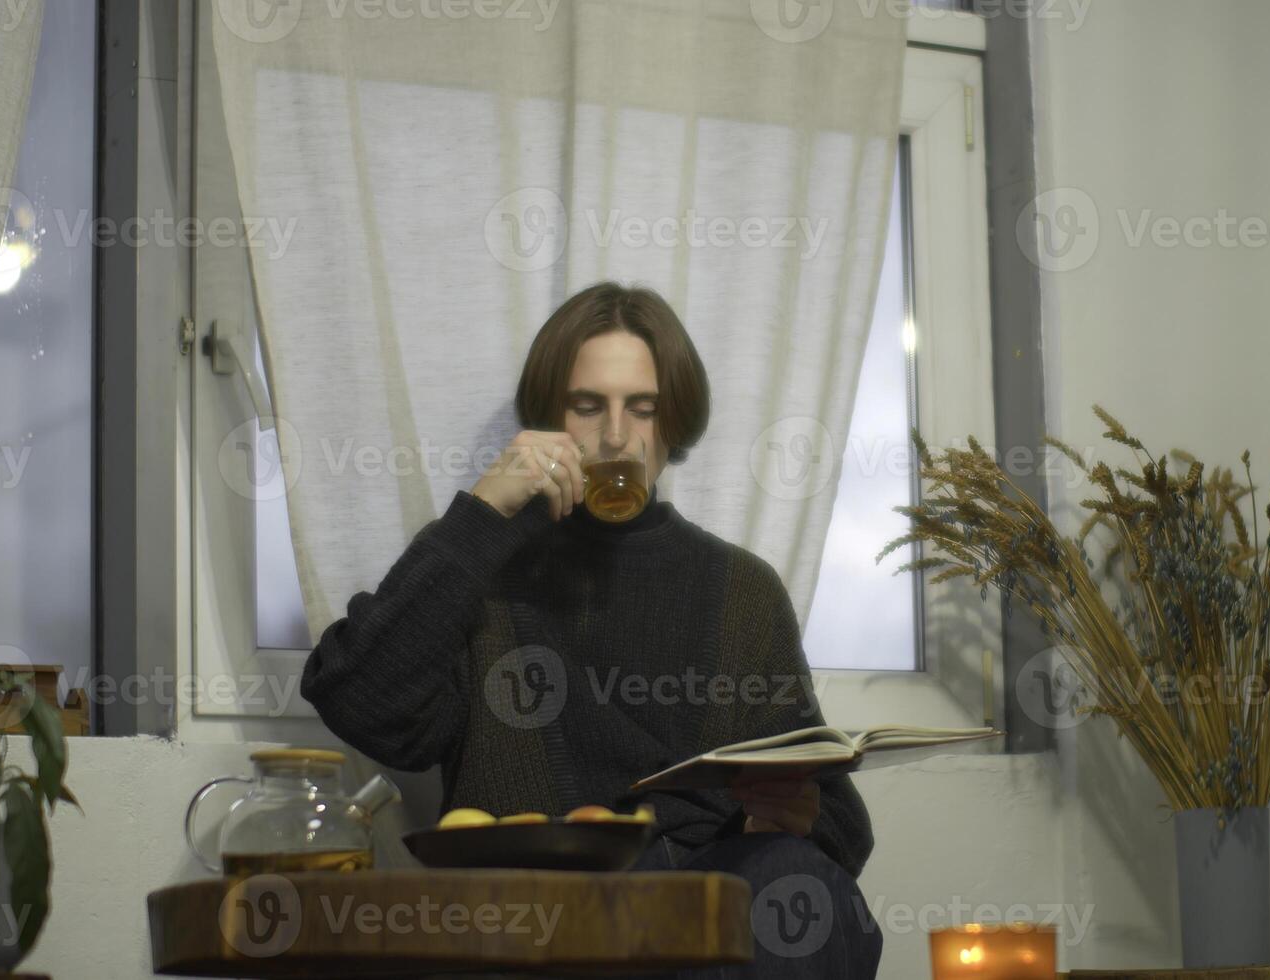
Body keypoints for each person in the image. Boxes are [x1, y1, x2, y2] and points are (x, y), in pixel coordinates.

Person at [300, 281, 882, 978]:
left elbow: (844, 830)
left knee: (800, 884)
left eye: (643, 408)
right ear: (550, 421)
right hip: (531, 917)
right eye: (588, 406)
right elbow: (359, 700)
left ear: (673, 423)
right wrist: (482, 513)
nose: (615, 436)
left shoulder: (740, 589)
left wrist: (794, 813)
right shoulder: (481, 571)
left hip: (697, 921)